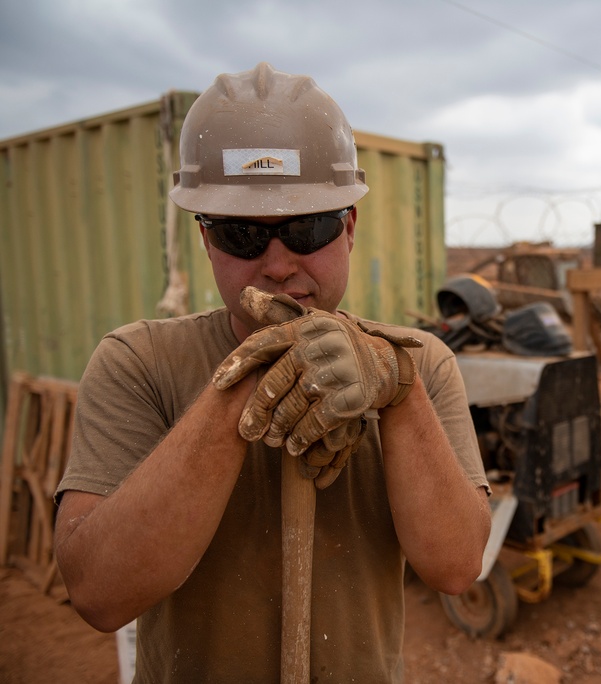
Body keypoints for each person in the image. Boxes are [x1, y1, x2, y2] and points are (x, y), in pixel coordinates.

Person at [53, 62, 492, 683]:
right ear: (206, 240)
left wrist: (399, 391)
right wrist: (244, 384)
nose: (279, 265)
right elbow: (100, 594)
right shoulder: (138, 362)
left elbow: (456, 566)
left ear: (348, 228)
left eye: (306, 229)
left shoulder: (419, 362)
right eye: (242, 236)